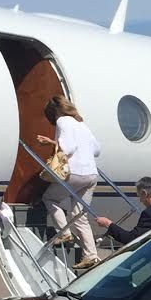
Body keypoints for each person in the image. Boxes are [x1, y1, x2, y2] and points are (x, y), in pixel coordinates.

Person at [35, 96, 102, 270]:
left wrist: (51, 143)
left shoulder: (62, 121)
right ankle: (92, 256)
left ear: (54, 112)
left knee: (50, 198)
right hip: (91, 175)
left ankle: (64, 233)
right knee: (78, 214)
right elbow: (97, 150)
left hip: (76, 173)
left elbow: (67, 148)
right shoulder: (81, 124)